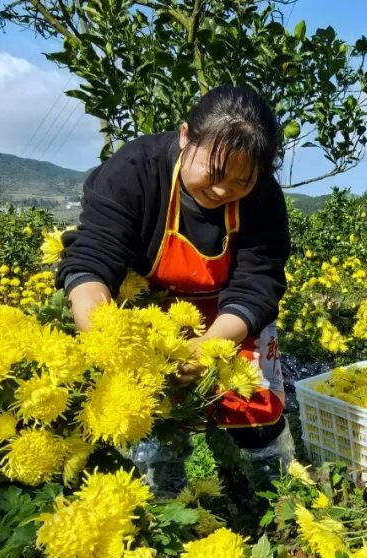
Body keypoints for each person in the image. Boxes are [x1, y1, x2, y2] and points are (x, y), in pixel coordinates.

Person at [55, 85, 294, 490]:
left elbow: (258, 282)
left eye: (241, 182)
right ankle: (169, 504)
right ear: (186, 136)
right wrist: (106, 340)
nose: (222, 191)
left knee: (252, 407)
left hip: (230, 315)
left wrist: (210, 348)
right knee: (157, 416)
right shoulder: (134, 171)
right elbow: (93, 259)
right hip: (151, 313)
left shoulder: (263, 198)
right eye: (214, 173)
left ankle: (275, 495)